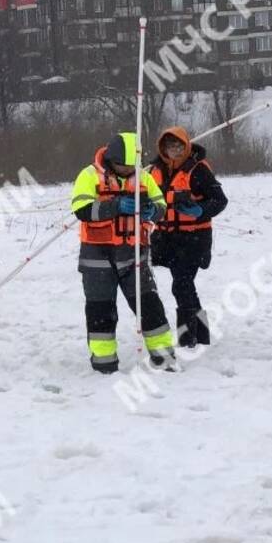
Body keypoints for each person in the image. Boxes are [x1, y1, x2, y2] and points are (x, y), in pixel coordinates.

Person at [70, 133, 177, 374]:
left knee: (150, 307)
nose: (129, 171)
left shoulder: (144, 177)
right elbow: (82, 210)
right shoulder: (89, 175)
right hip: (97, 258)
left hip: (134, 255)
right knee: (101, 313)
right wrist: (115, 206)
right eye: (123, 166)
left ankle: (164, 358)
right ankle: (104, 364)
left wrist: (152, 211)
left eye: (132, 166)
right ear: (111, 159)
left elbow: (161, 204)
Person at [147, 126, 229, 348]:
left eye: (179, 146)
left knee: (181, 285)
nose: (175, 150)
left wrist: (200, 210)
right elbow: (146, 198)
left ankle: (188, 338)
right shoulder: (154, 171)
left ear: (186, 146)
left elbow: (220, 200)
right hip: (166, 239)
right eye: (170, 146)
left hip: (194, 238)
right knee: (184, 285)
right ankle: (200, 334)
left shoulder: (198, 170)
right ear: (162, 148)